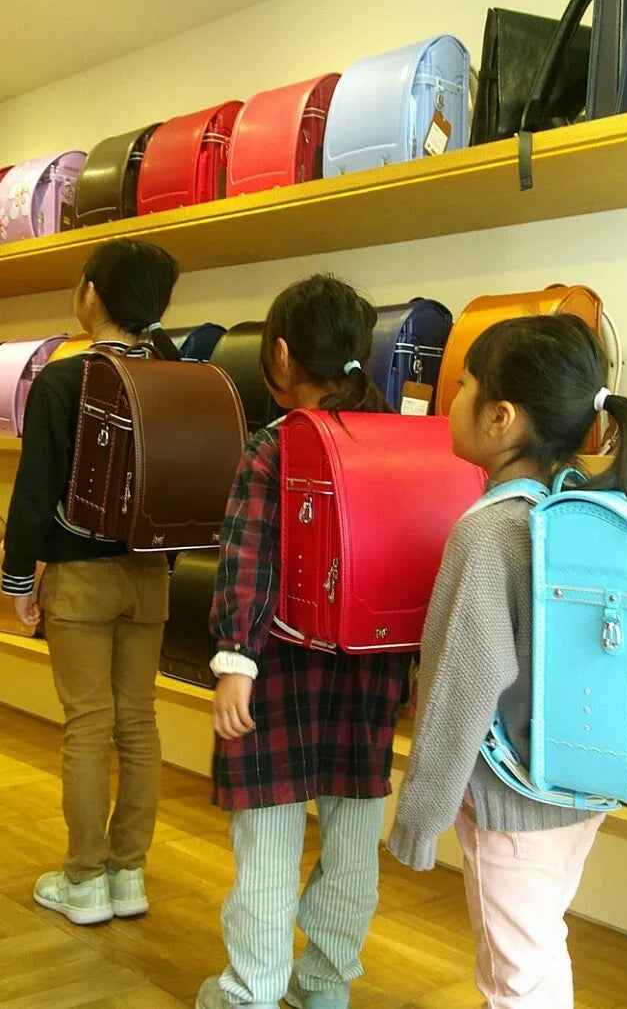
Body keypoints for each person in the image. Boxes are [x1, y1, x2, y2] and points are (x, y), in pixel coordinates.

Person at [388, 314, 627, 1009]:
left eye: (463, 388)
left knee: (513, 978)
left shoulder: (487, 534)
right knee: (539, 948)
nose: (449, 401)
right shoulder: (576, 507)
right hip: (580, 784)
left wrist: (418, 816)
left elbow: (460, 688)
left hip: (510, 802)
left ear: (501, 417)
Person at [196, 275, 410, 1009]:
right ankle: (324, 986)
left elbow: (246, 558)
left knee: (268, 841)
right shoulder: (403, 440)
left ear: (280, 354)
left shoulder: (275, 447)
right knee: (354, 841)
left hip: (278, 674)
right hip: (373, 678)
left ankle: (249, 991)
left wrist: (235, 663)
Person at [2, 238, 180, 925]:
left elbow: (36, 488)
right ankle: (127, 875)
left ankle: (82, 882)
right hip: (151, 575)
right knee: (138, 722)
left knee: (86, 725)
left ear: (92, 297)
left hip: (78, 576)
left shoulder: (62, 378)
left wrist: (18, 575)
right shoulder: (178, 374)